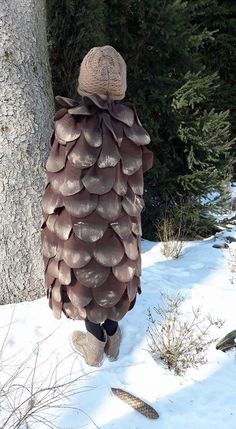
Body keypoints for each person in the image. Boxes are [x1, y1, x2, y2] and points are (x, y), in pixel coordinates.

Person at [41, 46, 153, 367]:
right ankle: (113, 336)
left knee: (86, 270)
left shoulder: (71, 126)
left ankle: (94, 344)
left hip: (79, 222)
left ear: (83, 83)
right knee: (116, 267)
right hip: (120, 221)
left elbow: (60, 181)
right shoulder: (130, 127)